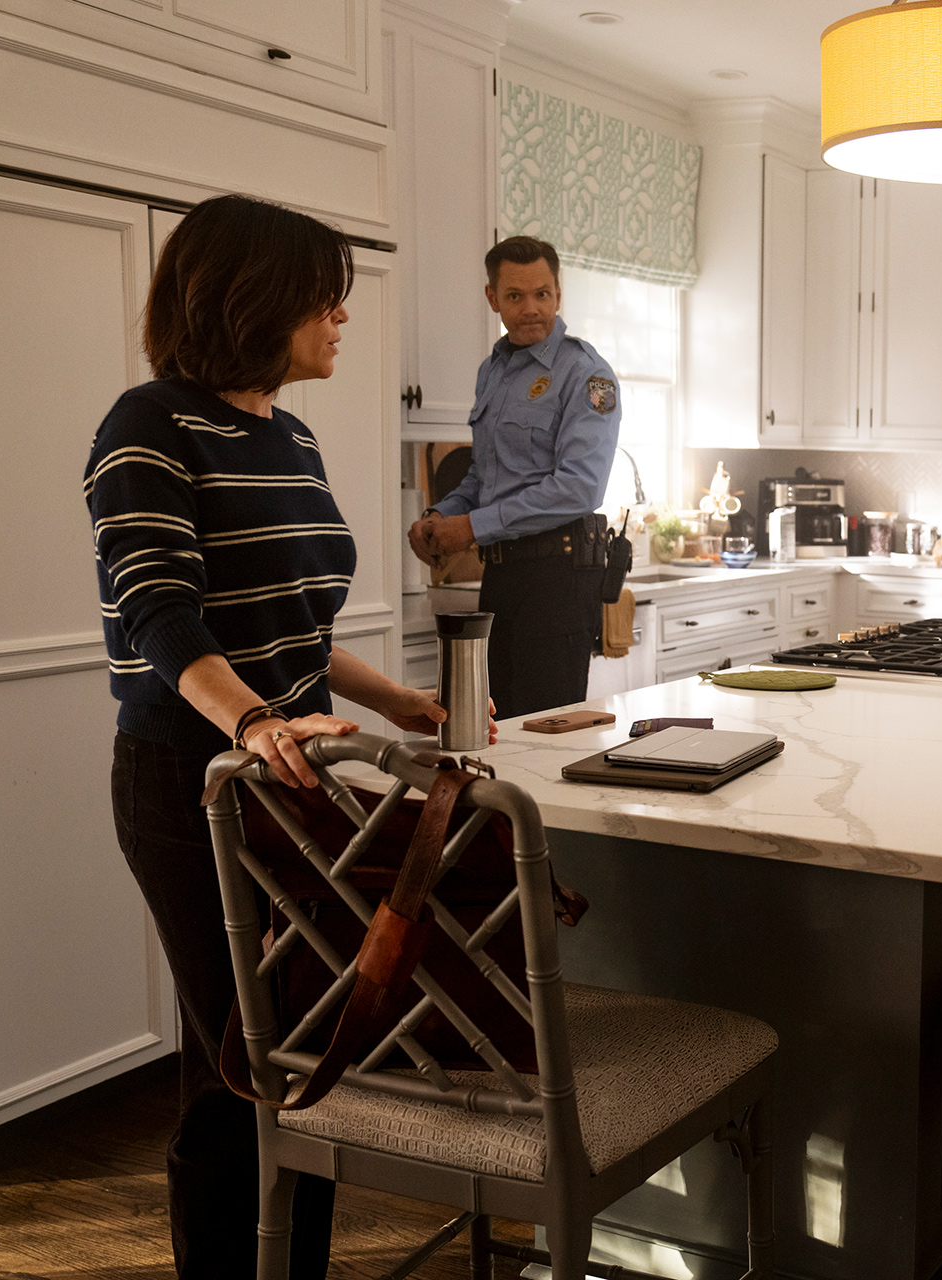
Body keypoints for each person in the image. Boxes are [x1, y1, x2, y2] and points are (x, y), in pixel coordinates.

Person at [86, 194, 470, 1278]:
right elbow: (162, 613)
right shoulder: (147, 426)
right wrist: (252, 720)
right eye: (322, 296)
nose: (342, 316)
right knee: (238, 1062)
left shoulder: (288, 436)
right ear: (251, 300)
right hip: (193, 776)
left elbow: (289, 626)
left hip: (291, 776)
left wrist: (393, 700)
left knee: (305, 1047)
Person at [407, 236, 622, 719]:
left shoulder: (588, 374)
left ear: (558, 294)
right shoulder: (492, 372)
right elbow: (484, 477)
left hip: (559, 576)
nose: (531, 309)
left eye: (542, 294)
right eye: (515, 296)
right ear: (493, 298)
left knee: (544, 731)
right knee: (494, 724)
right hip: (502, 575)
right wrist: (440, 515)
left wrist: (472, 527)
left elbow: (579, 487)